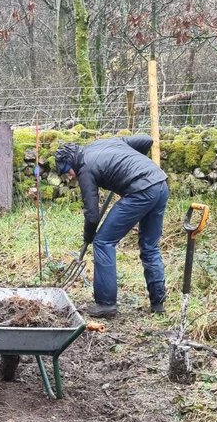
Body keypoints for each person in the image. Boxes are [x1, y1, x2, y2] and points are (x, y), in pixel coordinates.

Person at [55, 135, 169, 317]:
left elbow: (92, 214)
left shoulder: (85, 169)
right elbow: (146, 140)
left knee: (103, 242)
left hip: (140, 191)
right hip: (160, 183)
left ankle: (106, 304)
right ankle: (158, 303)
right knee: (149, 246)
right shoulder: (106, 143)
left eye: (67, 171)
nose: (69, 176)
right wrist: (133, 165)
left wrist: (88, 236)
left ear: (72, 162)